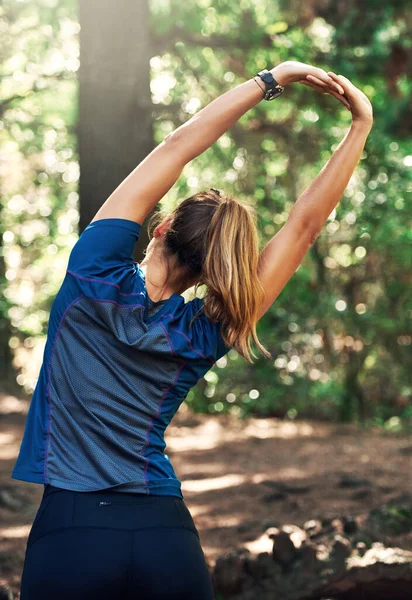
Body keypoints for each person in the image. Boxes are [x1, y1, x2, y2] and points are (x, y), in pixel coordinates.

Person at [12, 62, 372, 599]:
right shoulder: (208, 330)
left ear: (159, 229)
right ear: (210, 271)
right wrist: (359, 125)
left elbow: (177, 148)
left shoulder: (92, 271)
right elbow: (303, 228)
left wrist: (272, 79)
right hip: (165, 536)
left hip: (72, 529)